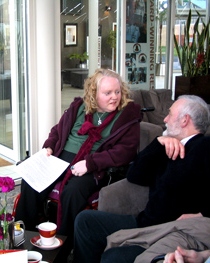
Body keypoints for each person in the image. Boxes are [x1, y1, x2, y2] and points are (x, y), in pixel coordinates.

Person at [73, 95, 210, 263]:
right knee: (85, 221)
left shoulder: (204, 147)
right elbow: (135, 175)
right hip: (143, 223)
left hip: (169, 233)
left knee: (113, 258)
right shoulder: (166, 147)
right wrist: (158, 142)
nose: (165, 119)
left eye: (170, 114)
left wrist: (203, 214)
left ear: (184, 120)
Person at [15, 68, 142, 236]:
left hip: (94, 164)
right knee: (31, 180)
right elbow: (57, 131)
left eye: (117, 91)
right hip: (60, 157)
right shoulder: (79, 107)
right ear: (94, 93)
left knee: (72, 192)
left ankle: (64, 239)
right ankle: (25, 233)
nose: (114, 97)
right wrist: (50, 146)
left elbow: (125, 152)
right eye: (108, 92)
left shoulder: (127, 116)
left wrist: (91, 163)